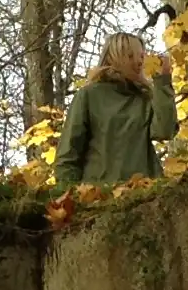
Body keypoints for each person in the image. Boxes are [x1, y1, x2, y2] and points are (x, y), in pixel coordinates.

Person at [53, 28, 176, 186]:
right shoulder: (89, 96)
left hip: (143, 195)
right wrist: (70, 199)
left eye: (141, 56)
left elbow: (165, 131)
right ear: (115, 57)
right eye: (131, 55)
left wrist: (163, 83)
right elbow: (68, 156)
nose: (139, 62)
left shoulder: (145, 97)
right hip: (99, 197)